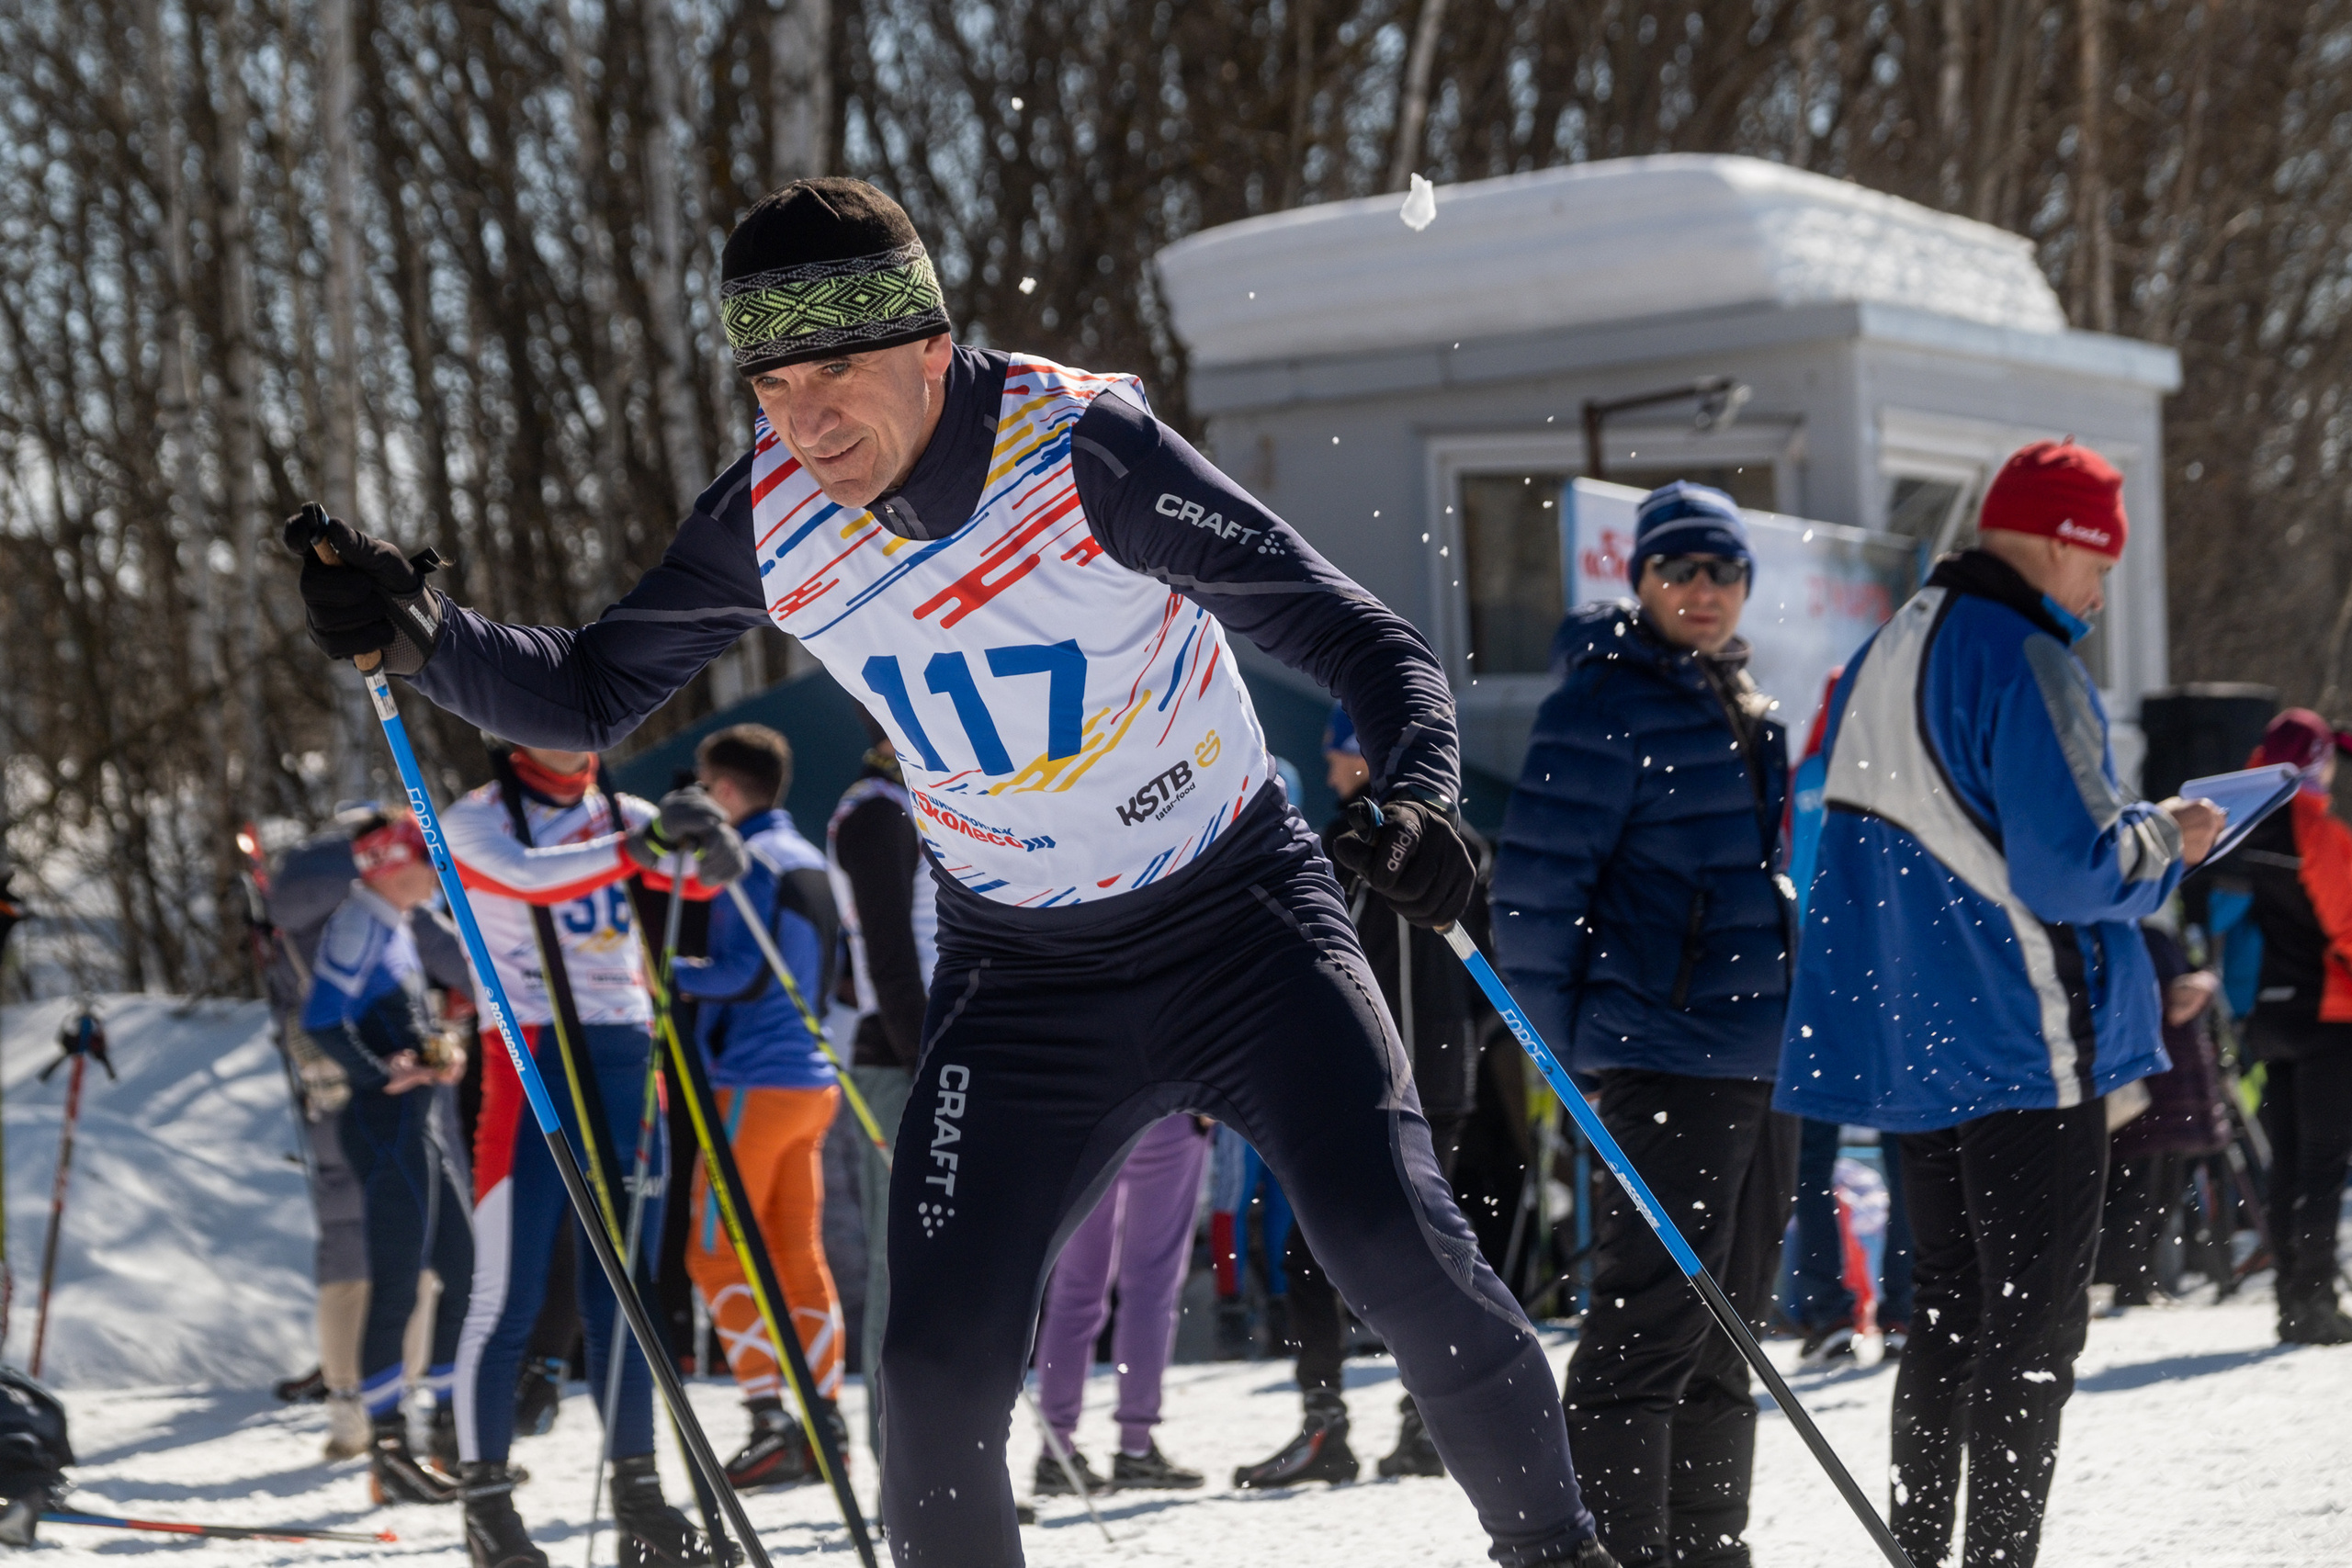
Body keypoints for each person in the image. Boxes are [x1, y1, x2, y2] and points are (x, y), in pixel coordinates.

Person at [286, 175, 1611, 1568]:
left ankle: (1559, 1550)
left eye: (837, 370)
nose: (806, 418)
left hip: (1242, 928)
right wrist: (427, 634)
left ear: (930, 346)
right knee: (927, 1372)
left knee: (1399, 1254)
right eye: (771, 381)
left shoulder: (1087, 450)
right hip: (1025, 978)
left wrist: (1416, 795)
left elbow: (1368, 643)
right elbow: (595, 691)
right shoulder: (769, 515)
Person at [1777, 439, 2222, 1568]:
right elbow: (2072, 868)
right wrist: (2174, 835)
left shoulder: (1890, 644)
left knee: (1946, 1322)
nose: (2099, 592)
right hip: (2023, 1036)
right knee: (2030, 1338)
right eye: (2100, 565)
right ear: (2066, 539)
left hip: (1919, 1043)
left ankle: (1924, 1553)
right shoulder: (2021, 653)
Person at [1491, 484, 1797, 1568]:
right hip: (1660, 1053)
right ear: (1642, 582)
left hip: (1759, 1056)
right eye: (1679, 571)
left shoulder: (1746, 706)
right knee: (1647, 1328)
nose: (1701, 591)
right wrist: (1564, 1053)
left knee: (1729, 1331)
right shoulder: (1601, 703)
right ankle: (1615, 1551)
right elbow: (1532, 894)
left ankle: (1706, 1548)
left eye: (1721, 572)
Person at [440, 743, 741, 1568]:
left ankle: (639, 1497)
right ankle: (486, 1503)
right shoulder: (476, 816)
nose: (569, 742)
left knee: (627, 1296)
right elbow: (532, 877)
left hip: (624, 1057)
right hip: (530, 1058)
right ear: (510, 732)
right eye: (546, 723)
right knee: (510, 1293)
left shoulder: (624, 811)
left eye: (581, 725)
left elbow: (695, 880)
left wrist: (713, 852)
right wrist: (644, 848)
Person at [1237, 702, 1497, 1490]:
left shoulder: (1351, 843)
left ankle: (1363, 1424)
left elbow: (1315, 960)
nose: (1327, 768)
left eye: (1337, 753)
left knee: (1337, 1251)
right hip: (1419, 1077)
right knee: (1406, 1251)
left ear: (1368, 756)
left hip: (1378, 1079)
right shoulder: (1448, 840)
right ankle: (1386, 1426)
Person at [667, 724, 852, 1487]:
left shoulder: (746, 862)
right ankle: (823, 1422)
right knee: (793, 1254)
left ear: (730, 791)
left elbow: (740, 976)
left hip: (754, 1081)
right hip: (808, 1083)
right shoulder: (806, 854)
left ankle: (772, 1418)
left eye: (708, 789)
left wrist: (663, 968)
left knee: (712, 1251)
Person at [298, 811, 472, 1506]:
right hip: (387, 1125)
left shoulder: (394, 922)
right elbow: (321, 1018)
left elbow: (401, 1021)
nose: (434, 874)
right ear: (387, 865)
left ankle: (454, 1436)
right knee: (398, 1283)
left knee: (463, 1270)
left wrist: (439, 1051)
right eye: (424, 862)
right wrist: (379, 1072)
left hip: (417, 1119)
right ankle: (390, 1446)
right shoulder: (359, 918)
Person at [1780, 671, 1911, 1366]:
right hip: (1888, 979)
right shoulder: (1896, 769)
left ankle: (1826, 1309)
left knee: (1809, 1152)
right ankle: (1904, 1310)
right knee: (1904, 1143)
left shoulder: (1807, 770)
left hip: (1810, 983)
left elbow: (1789, 874)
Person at [825, 718, 935, 1477]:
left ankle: (945, 1450)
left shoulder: (915, 799)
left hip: (926, 1048)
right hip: (897, 1058)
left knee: (946, 1260)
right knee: (906, 1265)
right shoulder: (875, 809)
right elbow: (890, 957)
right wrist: (930, 1059)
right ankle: (900, 1461)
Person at [2234, 707, 2352, 1344]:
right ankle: (2315, 1302)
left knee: (2286, 1165)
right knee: (2321, 1166)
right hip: (2326, 1013)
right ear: (2313, 759)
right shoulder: (2312, 824)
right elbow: (2346, 922)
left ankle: (2289, 1299)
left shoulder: (2242, 820)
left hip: (2268, 1012)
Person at [1031, 1115, 1212, 1494]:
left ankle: (1056, 1451)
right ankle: (1136, 1447)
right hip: (1165, 1109)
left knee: (1074, 1291)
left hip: (1085, 1113)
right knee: (1151, 1286)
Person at [2094, 920, 2231, 1311]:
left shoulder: (2156, 934)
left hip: (2168, 1083)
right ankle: (2125, 1279)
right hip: (2142, 1084)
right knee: (2136, 1190)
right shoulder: (2122, 932)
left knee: (2163, 1189)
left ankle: (2141, 1278)